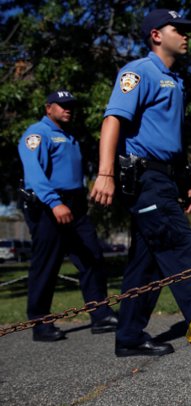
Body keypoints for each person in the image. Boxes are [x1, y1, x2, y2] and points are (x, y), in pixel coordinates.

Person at [90, 9, 191, 357]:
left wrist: (184, 179)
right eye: (180, 29)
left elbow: (169, 138)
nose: (187, 35)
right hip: (144, 178)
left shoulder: (175, 80)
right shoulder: (138, 72)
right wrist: (105, 173)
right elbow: (113, 119)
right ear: (156, 35)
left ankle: (128, 337)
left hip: (163, 177)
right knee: (181, 248)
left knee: (145, 264)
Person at [17, 89, 118, 342]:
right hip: (49, 205)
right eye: (61, 105)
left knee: (92, 257)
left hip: (75, 205)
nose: (67, 108)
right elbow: (34, 174)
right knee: (46, 266)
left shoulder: (70, 136)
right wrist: (54, 203)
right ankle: (41, 324)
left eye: (70, 105)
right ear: (47, 108)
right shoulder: (37, 134)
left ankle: (100, 314)